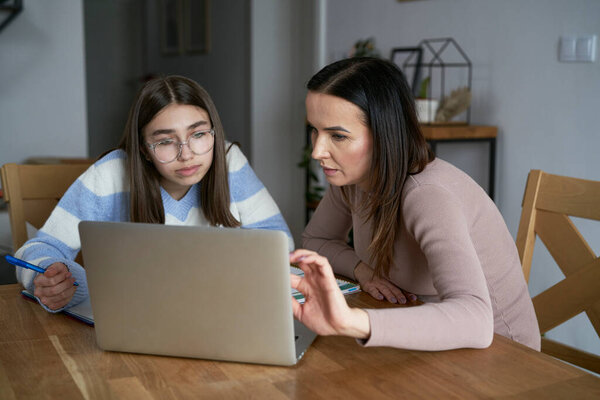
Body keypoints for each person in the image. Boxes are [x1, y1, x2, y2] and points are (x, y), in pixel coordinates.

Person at [290, 57, 540, 351]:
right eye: (315, 130)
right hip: (424, 336)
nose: (318, 151)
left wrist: (351, 320)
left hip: (502, 358)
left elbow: (476, 320)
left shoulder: (427, 195)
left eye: (337, 136)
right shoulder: (352, 179)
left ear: (384, 135)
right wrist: (362, 271)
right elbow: (316, 239)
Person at [15, 75, 293, 312]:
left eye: (198, 135)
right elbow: (37, 250)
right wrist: (50, 275)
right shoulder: (110, 175)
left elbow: (281, 243)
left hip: (219, 313)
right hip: (135, 318)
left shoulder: (230, 161)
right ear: (144, 149)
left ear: (214, 133)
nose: (187, 155)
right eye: (165, 141)